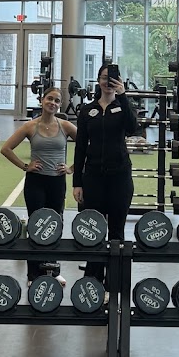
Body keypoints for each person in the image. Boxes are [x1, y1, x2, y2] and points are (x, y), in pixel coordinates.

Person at [0, 86, 76, 286]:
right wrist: (26, 166)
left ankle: (53, 270)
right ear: (42, 100)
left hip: (57, 182)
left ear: (60, 105)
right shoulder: (30, 127)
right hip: (36, 182)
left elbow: (88, 146)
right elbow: (6, 149)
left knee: (55, 225)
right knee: (36, 226)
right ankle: (33, 274)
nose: (53, 103)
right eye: (50, 98)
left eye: (57, 100)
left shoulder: (66, 126)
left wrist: (71, 168)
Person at [73, 62, 137, 288]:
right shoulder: (86, 110)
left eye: (112, 78)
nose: (108, 82)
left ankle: (113, 283)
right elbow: (80, 147)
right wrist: (77, 182)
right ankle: (92, 282)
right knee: (93, 229)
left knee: (116, 231)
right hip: (94, 178)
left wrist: (123, 95)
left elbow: (132, 128)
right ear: (98, 80)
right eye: (104, 77)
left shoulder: (122, 106)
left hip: (119, 178)